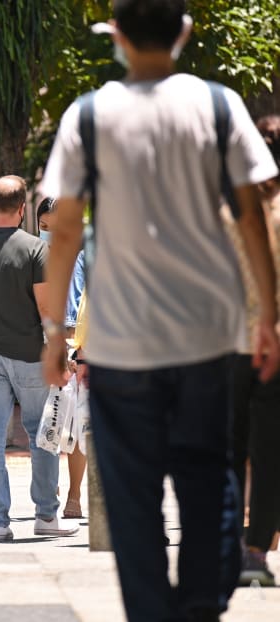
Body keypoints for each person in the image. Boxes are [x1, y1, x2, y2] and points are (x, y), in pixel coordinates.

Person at [40, 2, 280, 619]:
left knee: (132, 494)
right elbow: (252, 214)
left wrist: (54, 332)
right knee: (208, 476)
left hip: (121, 341)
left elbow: (65, 229)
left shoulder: (88, 116)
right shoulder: (220, 106)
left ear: (116, 34)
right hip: (208, 333)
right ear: (185, 32)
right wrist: (268, 317)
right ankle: (202, 604)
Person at [0, 176, 79, 543]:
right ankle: (45, 516)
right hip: (30, 356)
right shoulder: (37, 250)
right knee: (42, 435)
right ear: (23, 209)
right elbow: (46, 307)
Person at [228, 114, 280, 587]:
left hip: (224, 346)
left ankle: (223, 542)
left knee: (225, 448)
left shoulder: (222, 213)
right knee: (269, 454)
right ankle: (256, 550)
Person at [36, 196, 87, 519]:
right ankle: (49, 486)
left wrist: (75, 346)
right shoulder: (31, 255)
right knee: (45, 420)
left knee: (75, 423)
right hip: (35, 345)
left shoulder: (83, 258)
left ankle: (74, 495)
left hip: (72, 342)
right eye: (43, 227)